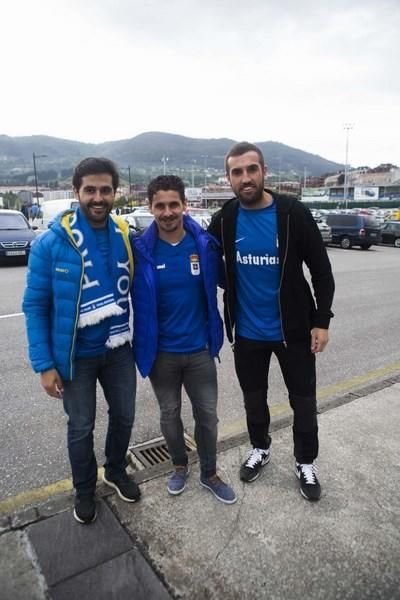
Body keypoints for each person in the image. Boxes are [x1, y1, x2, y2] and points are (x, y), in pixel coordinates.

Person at [208, 142, 335, 501]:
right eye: (237, 172)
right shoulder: (226, 219)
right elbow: (199, 252)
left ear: (264, 172)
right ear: (229, 178)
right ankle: (260, 448)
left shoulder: (292, 213)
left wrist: (321, 321)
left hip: (293, 332)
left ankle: (305, 461)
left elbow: (321, 270)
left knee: (304, 401)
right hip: (247, 333)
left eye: (251, 169)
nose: (245, 178)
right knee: (254, 400)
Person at [23, 157, 140, 524]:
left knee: (124, 416)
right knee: (81, 426)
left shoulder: (125, 235)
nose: (98, 197)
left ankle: (116, 470)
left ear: (114, 192)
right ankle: (85, 489)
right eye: (90, 189)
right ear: (77, 192)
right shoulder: (51, 244)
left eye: (105, 189)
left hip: (119, 346)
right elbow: (35, 306)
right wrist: (44, 365)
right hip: (76, 355)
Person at [132, 175, 236, 504]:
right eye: (159, 205)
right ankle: (179, 466)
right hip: (161, 353)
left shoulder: (204, 245)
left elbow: (232, 279)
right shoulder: (139, 250)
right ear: (150, 207)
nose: (167, 212)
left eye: (173, 204)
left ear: (184, 205)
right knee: (169, 415)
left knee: (207, 416)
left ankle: (209, 472)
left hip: (200, 351)